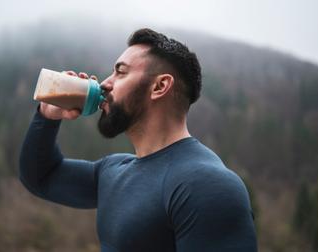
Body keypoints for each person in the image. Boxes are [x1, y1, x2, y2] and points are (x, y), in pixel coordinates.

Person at [19, 28, 257, 251]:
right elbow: (41, 177)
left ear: (160, 86)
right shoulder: (113, 171)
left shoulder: (207, 186)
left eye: (121, 72)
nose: (104, 83)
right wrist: (47, 116)